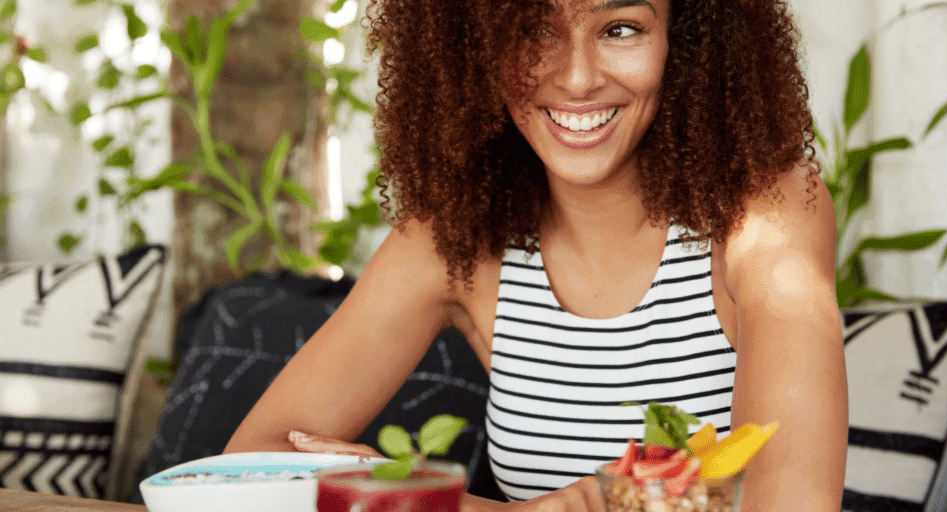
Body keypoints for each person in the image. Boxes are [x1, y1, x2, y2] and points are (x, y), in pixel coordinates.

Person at [224, 0, 849, 510]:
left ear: (685, 42)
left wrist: (439, 505)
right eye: (532, 30)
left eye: (621, 28)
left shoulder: (764, 211)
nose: (577, 78)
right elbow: (253, 464)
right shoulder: (456, 235)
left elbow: (791, 502)